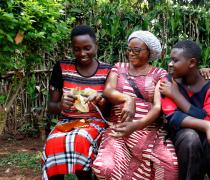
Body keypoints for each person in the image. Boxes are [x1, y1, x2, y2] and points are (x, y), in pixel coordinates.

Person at [92, 30, 178, 180]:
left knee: (169, 164)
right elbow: (108, 90)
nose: (131, 53)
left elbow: (158, 107)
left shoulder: (159, 73)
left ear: (149, 52)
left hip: (150, 131)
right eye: (129, 49)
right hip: (119, 129)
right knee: (104, 167)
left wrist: (136, 125)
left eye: (136, 50)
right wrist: (128, 99)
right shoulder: (119, 67)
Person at [41, 25, 112, 180]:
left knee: (80, 140)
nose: (82, 53)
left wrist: (99, 99)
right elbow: (51, 107)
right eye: (77, 49)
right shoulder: (62, 67)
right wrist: (60, 105)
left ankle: (84, 176)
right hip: (66, 122)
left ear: (96, 46)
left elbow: (110, 112)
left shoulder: (108, 71)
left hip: (95, 122)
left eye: (87, 48)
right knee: (53, 143)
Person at [159, 40, 210, 180]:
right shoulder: (168, 82)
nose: (170, 64)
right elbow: (172, 117)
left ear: (192, 63)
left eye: (175, 60)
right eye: (170, 60)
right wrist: (207, 125)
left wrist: (176, 96)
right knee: (190, 137)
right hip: (181, 135)